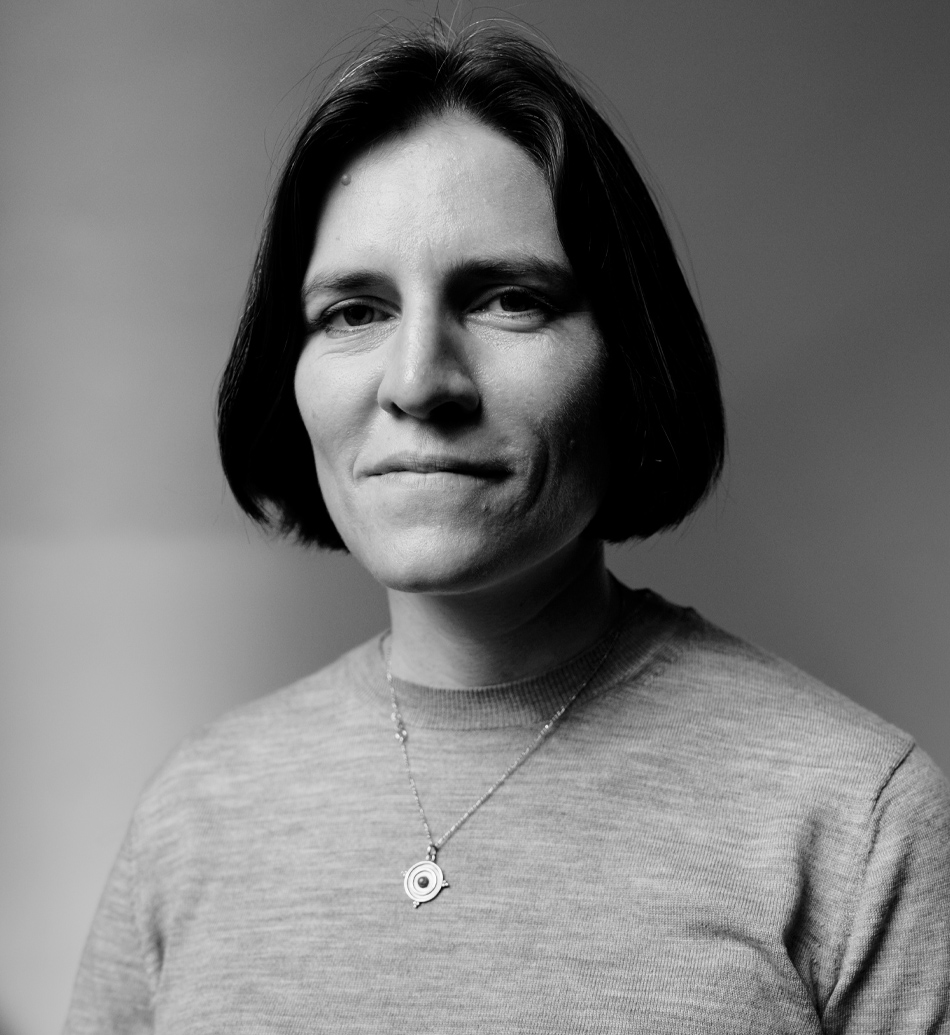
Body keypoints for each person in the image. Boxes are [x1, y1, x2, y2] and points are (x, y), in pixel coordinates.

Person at [64, 22, 950, 1034]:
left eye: (507, 299)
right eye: (354, 311)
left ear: (628, 360)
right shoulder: (195, 813)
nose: (418, 382)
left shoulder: (857, 818)